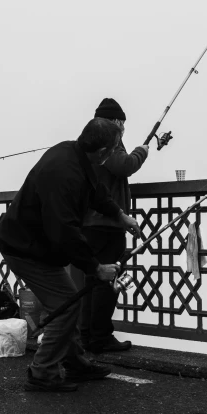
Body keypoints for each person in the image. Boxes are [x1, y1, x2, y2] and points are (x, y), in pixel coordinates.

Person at [0, 118, 142, 392]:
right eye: (114, 149)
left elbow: (97, 193)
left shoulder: (73, 153)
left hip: (38, 245)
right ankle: (42, 373)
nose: (113, 154)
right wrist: (96, 268)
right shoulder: (64, 173)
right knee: (65, 304)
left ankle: (74, 363)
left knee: (66, 300)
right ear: (103, 152)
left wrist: (120, 215)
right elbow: (64, 231)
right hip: (23, 247)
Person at [79, 98, 149, 353]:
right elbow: (125, 165)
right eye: (122, 123)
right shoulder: (108, 139)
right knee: (109, 280)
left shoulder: (89, 139)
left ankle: (86, 335)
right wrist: (143, 151)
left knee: (91, 280)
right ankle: (100, 336)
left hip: (91, 223)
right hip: (105, 224)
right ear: (116, 121)